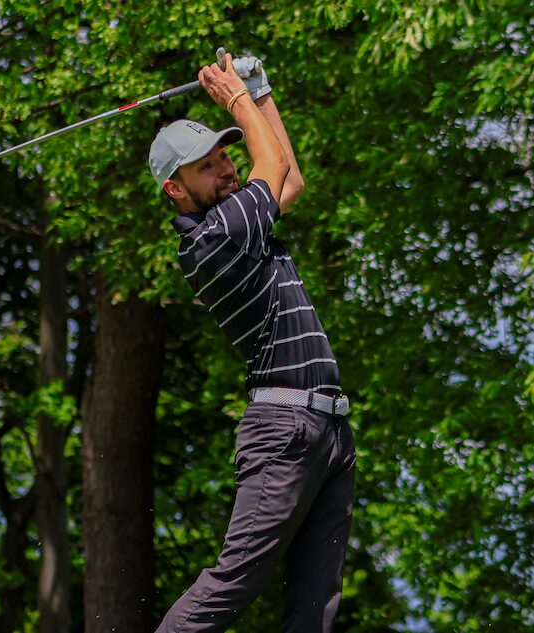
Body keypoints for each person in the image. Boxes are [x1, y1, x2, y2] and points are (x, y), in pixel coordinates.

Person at [148, 52, 357, 632]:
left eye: (223, 157)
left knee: (316, 604)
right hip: (284, 430)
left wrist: (260, 91)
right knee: (233, 582)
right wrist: (237, 95)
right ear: (175, 189)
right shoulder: (216, 236)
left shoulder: (240, 218)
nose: (227, 170)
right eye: (208, 167)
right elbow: (272, 165)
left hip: (328, 429)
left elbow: (289, 177)